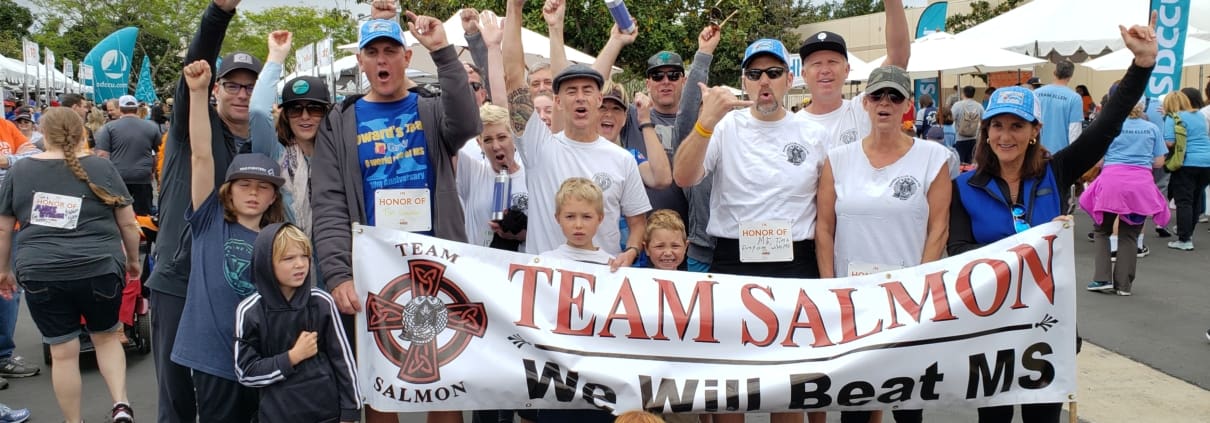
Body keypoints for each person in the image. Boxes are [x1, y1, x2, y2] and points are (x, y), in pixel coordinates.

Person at [948, 16, 1156, 423]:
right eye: (998, 126)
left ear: (1034, 131)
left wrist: (1142, 64)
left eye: (1016, 126)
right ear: (986, 131)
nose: (1005, 135)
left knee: (1042, 418)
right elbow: (958, 251)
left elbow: (1107, 126)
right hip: (990, 326)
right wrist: (1022, 258)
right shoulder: (965, 186)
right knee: (994, 419)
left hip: (1046, 325)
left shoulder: (1055, 172)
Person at [311, 9, 480, 423]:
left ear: (406, 57)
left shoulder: (431, 108)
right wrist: (337, 274)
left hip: (436, 261)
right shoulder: (340, 121)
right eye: (373, 53)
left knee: (444, 377)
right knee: (383, 382)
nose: (382, 60)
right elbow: (329, 201)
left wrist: (442, 51)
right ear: (362, 62)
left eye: (390, 50)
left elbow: (467, 122)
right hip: (374, 266)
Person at [674, 38, 829, 423]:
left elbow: (828, 214)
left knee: (787, 385)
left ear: (789, 79)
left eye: (774, 73)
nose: (765, 81)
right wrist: (705, 122)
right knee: (733, 384)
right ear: (744, 80)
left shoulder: (812, 134)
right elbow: (683, 175)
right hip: (732, 258)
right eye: (756, 73)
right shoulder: (725, 127)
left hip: (795, 262)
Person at [816, 65, 951, 423]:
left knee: (908, 405)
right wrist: (831, 288)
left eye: (895, 96)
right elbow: (824, 227)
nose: (885, 103)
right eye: (877, 95)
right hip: (853, 300)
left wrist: (919, 288)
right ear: (865, 103)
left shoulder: (933, 158)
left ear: (908, 104)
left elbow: (939, 228)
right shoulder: (838, 159)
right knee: (855, 404)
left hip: (907, 301)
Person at [148, 2, 256, 420]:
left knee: (234, 393)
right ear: (216, 88)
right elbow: (196, 64)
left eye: (250, 86)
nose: (242, 94)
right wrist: (219, 13)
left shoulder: (262, 142)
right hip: (181, 277)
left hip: (234, 283)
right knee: (176, 397)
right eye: (233, 85)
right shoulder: (191, 124)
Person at [0, 107, 141, 423]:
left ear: (41, 135)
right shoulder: (102, 169)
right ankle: (121, 404)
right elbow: (129, 224)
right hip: (100, 268)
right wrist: (133, 262)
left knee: (63, 353)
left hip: (40, 271)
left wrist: (3, 271)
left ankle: (73, 421)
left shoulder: (19, 173)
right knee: (106, 337)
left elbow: (3, 228)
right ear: (82, 133)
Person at [173, 59, 288, 422]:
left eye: (263, 188)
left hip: (260, 357)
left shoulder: (278, 240)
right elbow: (201, 154)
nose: (253, 194)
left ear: (273, 197)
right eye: (244, 185)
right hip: (211, 356)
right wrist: (195, 93)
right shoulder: (209, 221)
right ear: (228, 191)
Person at [502, 0, 649, 268]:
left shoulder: (622, 159)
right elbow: (512, 77)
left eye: (587, 90)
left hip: (603, 286)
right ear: (558, 101)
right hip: (546, 285)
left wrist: (630, 251)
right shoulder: (539, 148)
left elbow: (638, 221)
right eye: (571, 91)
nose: (580, 97)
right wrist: (514, 8)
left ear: (599, 99)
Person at [235, 223, 360, 423]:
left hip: (327, 416)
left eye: (305, 256)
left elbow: (343, 362)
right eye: (288, 258)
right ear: (265, 263)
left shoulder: (321, 302)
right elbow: (246, 372)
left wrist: (350, 412)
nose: (300, 264)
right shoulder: (250, 311)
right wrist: (292, 357)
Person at [1081, 99, 1168, 295]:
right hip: (1140, 185)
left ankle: (1102, 278)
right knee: (1130, 233)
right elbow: (1159, 162)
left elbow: (1100, 160)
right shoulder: (1152, 128)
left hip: (1112, 182)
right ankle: (1124, 285)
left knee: (1102, 230)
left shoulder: (1112, 127)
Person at [250, 30, 330, 235]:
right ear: (285, 114)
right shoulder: (275, 155)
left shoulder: (338, 155)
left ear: (326, 112)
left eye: (314, 108)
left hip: (333, 258)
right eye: (295, 109)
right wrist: (276, 57)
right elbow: (259, 110)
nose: (305, 116)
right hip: (286, 257)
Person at [457, 104, 529, 248]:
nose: (496, 146)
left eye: (502, 137)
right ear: (479, 143)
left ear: (513, 137)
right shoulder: (472, 173)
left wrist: (520, 235)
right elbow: (447, 141)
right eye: (488, 140)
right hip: (482, 265)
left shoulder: (531, 177)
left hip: (521, 266)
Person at [96, 95, 161, 217]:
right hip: (142, 175)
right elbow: (158, 154)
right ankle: (143, 234)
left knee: (119, 212)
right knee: (143, 214)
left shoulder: (109, 127)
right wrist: (153, 173)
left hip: (118, 176)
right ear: (136, 109)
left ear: (120, 109)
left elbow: (102, 155)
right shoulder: (152, 126)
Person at [1162, 91, 1210, 251]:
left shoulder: (1172, 117)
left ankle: (1184, 239)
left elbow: (1169, 142)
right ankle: (1187, 231)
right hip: (1206, 162)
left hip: (1186, 162)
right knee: (1196, 198)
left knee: (1184, 201)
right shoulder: (1199, 115)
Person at [541, 177, 613, 264]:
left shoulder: (612, 265)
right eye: (570, 216)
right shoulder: (544, 262)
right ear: (558, 218)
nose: (578, 225)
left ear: (600, 218)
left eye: (587, 217)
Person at [1034, 59, 1083, 154]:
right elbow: (1075, 133)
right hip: (1060, 155)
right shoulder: (1074, 98)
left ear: (1054, 72)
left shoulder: (1036, 94)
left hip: (1036, 152)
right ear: (1070, 76)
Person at [951, 86, 984, 163]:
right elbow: (984, 120)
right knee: (969, 163)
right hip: (973, 138)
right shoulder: (979, 106)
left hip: (959, 138)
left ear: (963, 93)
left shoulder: (957, 105)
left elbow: (950, 118)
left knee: (959, 162)